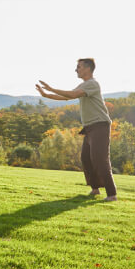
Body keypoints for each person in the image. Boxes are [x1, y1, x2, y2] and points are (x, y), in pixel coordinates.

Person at [35, 58, 117, 201]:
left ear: (88, 68)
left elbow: (72, 95)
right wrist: (46, 95)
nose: (76, 70)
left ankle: (112, 194)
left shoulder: (92, 83)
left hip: (100, 125)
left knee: (100, 159)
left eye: (79, 67)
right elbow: (66, 97)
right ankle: (95, 189)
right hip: (89, 127)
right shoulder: (84, 85)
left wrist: (51, 89)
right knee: (86, 158)